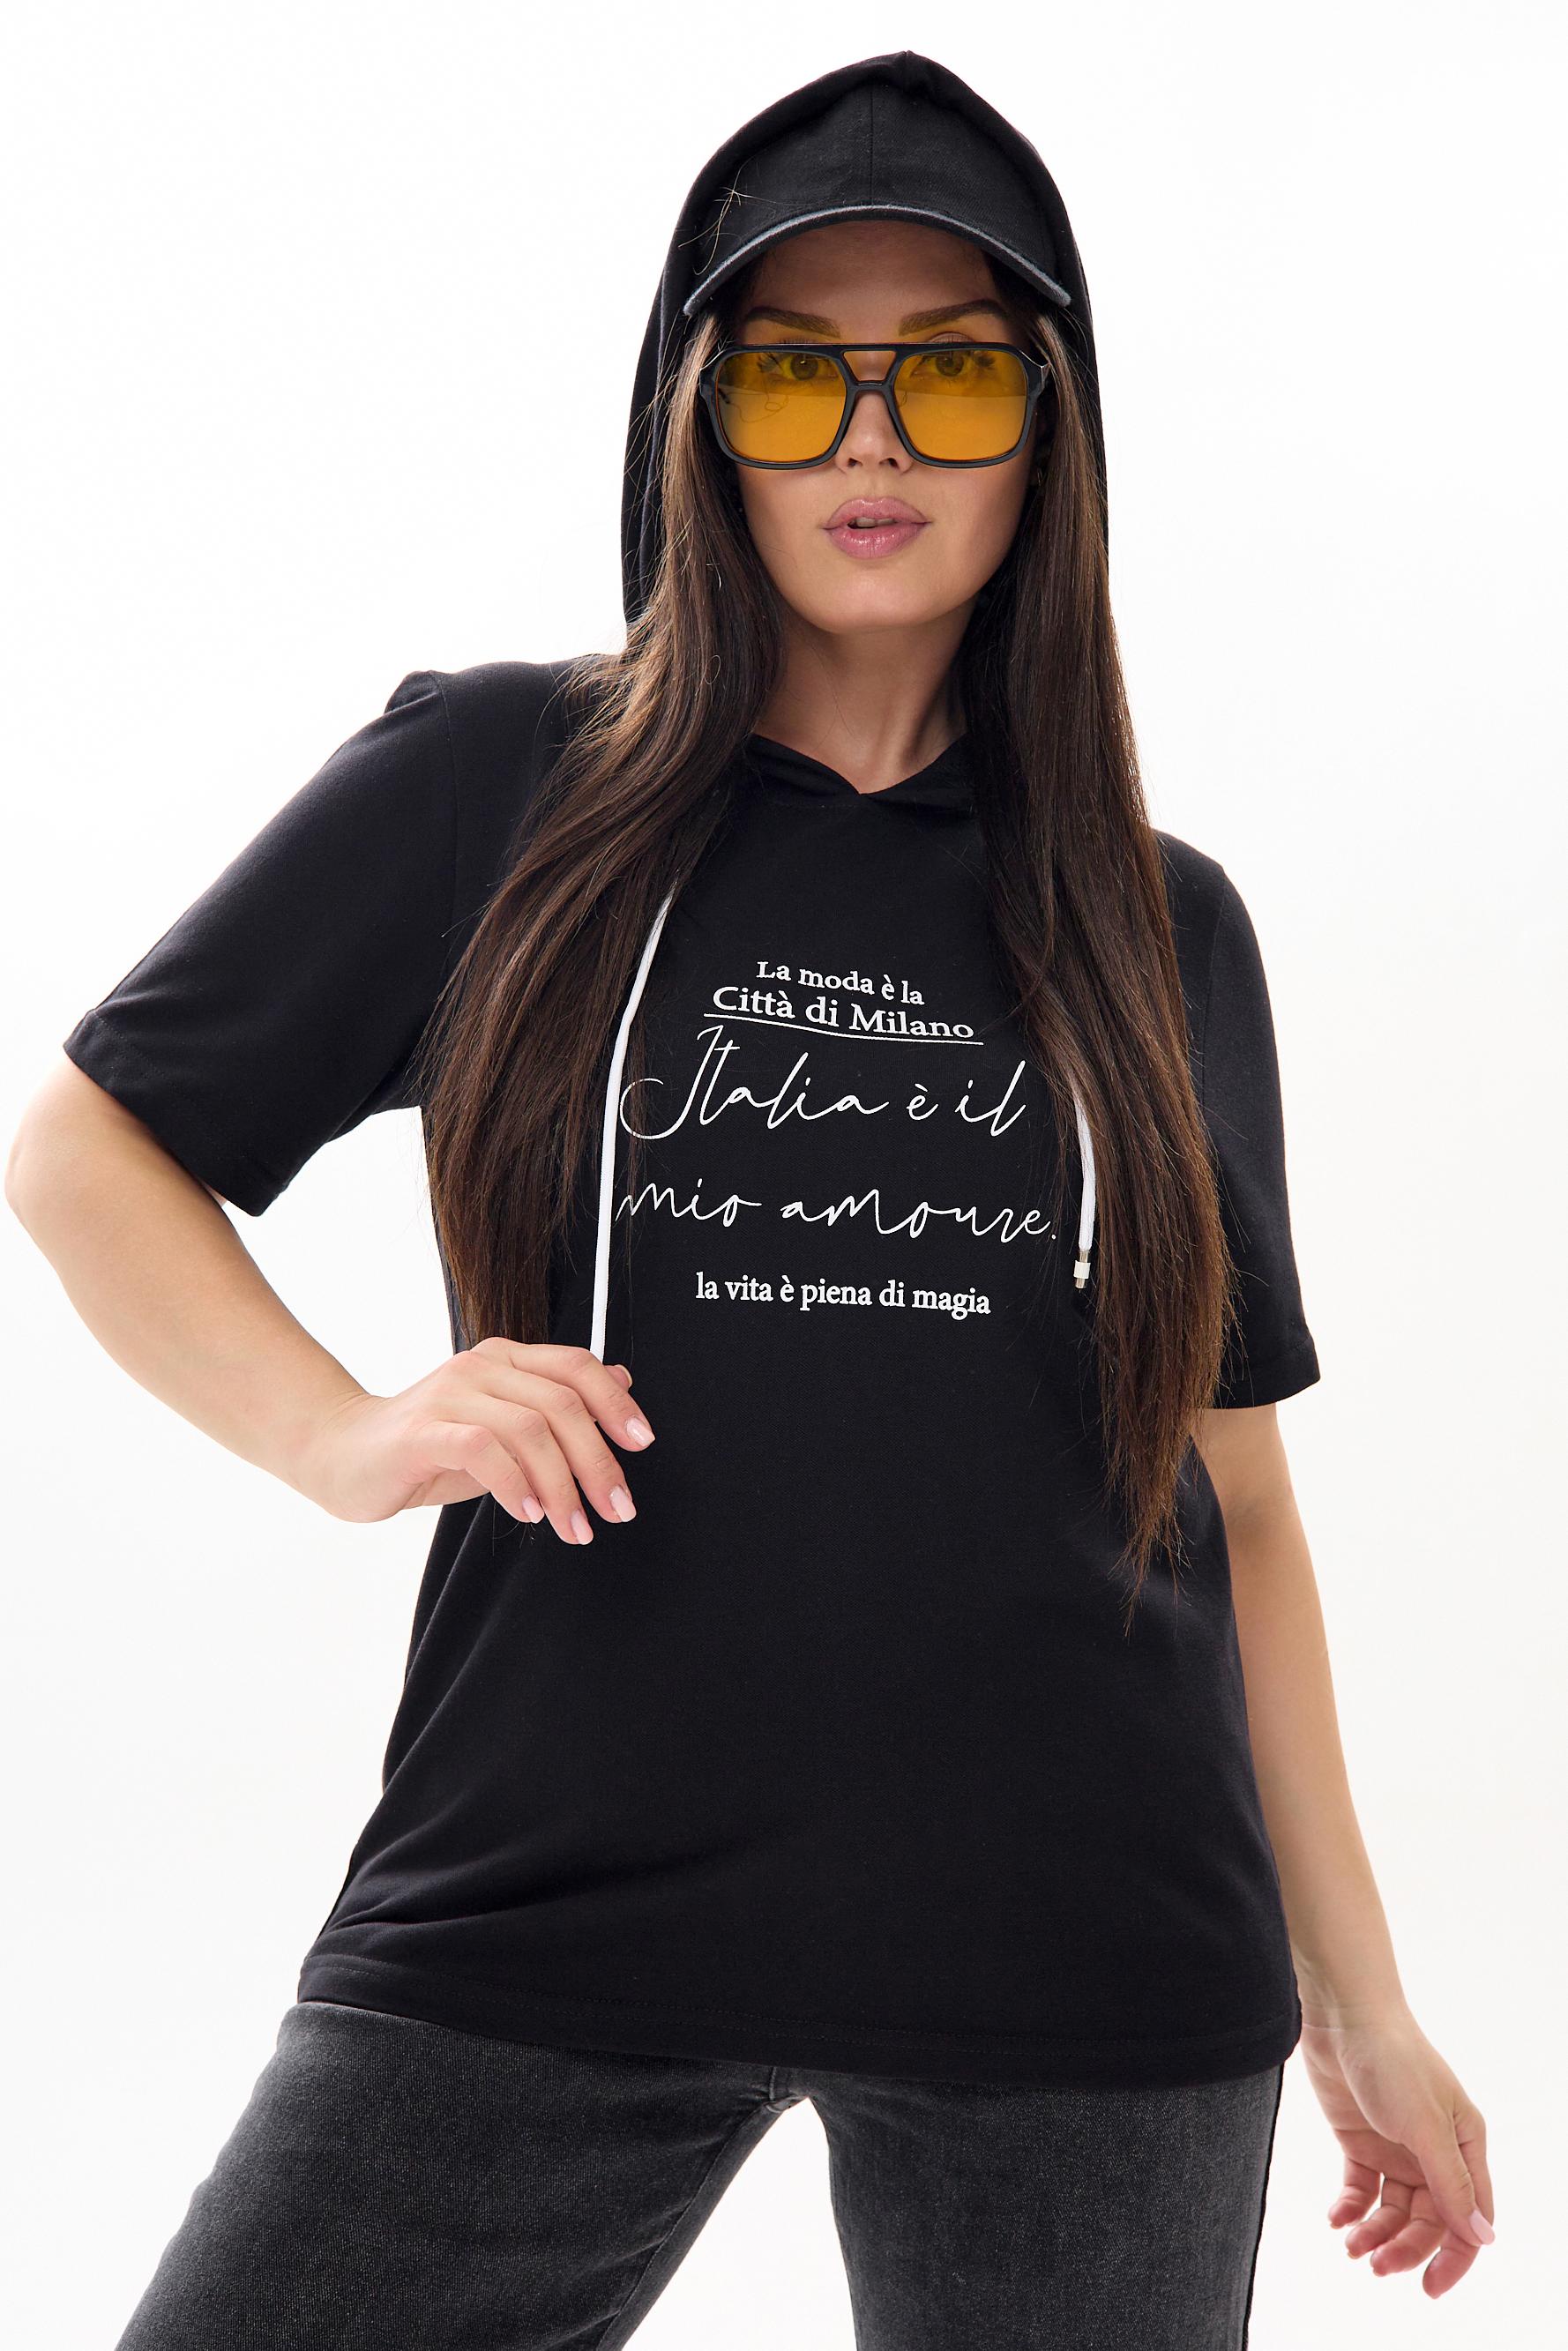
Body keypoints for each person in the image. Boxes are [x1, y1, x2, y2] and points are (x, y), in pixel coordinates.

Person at [9, 48, 1493, 2351]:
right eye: (796, 375)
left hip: (1093, 1959)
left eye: (949, 375)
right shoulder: (506, 785)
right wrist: (338, 1432)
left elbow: (1240, 1506)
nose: (871, 442)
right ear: (699, 422)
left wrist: (1362, 2002)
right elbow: (92, 1143)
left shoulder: (1155, 919)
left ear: (1049, 430)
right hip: (545, 1906)